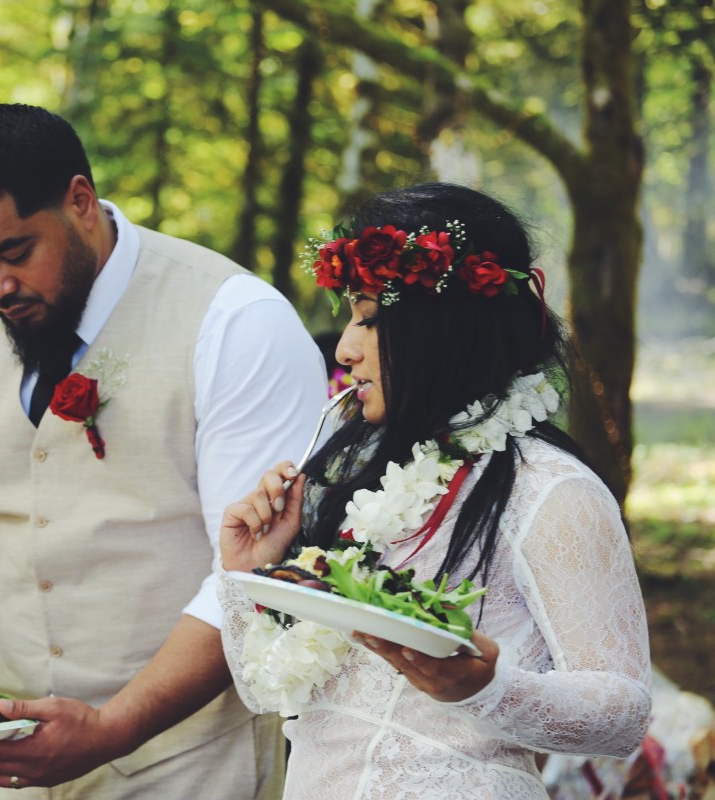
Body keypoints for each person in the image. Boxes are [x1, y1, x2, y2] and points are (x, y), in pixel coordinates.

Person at [0, 103, 328, 798]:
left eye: (14, 253)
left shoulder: (236, 321)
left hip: (187, 761)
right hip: (5, 762)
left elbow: (256, 578)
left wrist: (115, 726)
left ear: (81, 202)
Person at [218, 183, 652, 799]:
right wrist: (249, 577)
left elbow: (625, 713)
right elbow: (266, 692)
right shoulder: (359, 473)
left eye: (369, 319)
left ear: (444, 328)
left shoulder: (551, 491)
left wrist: (487, 689)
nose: (344, 347)